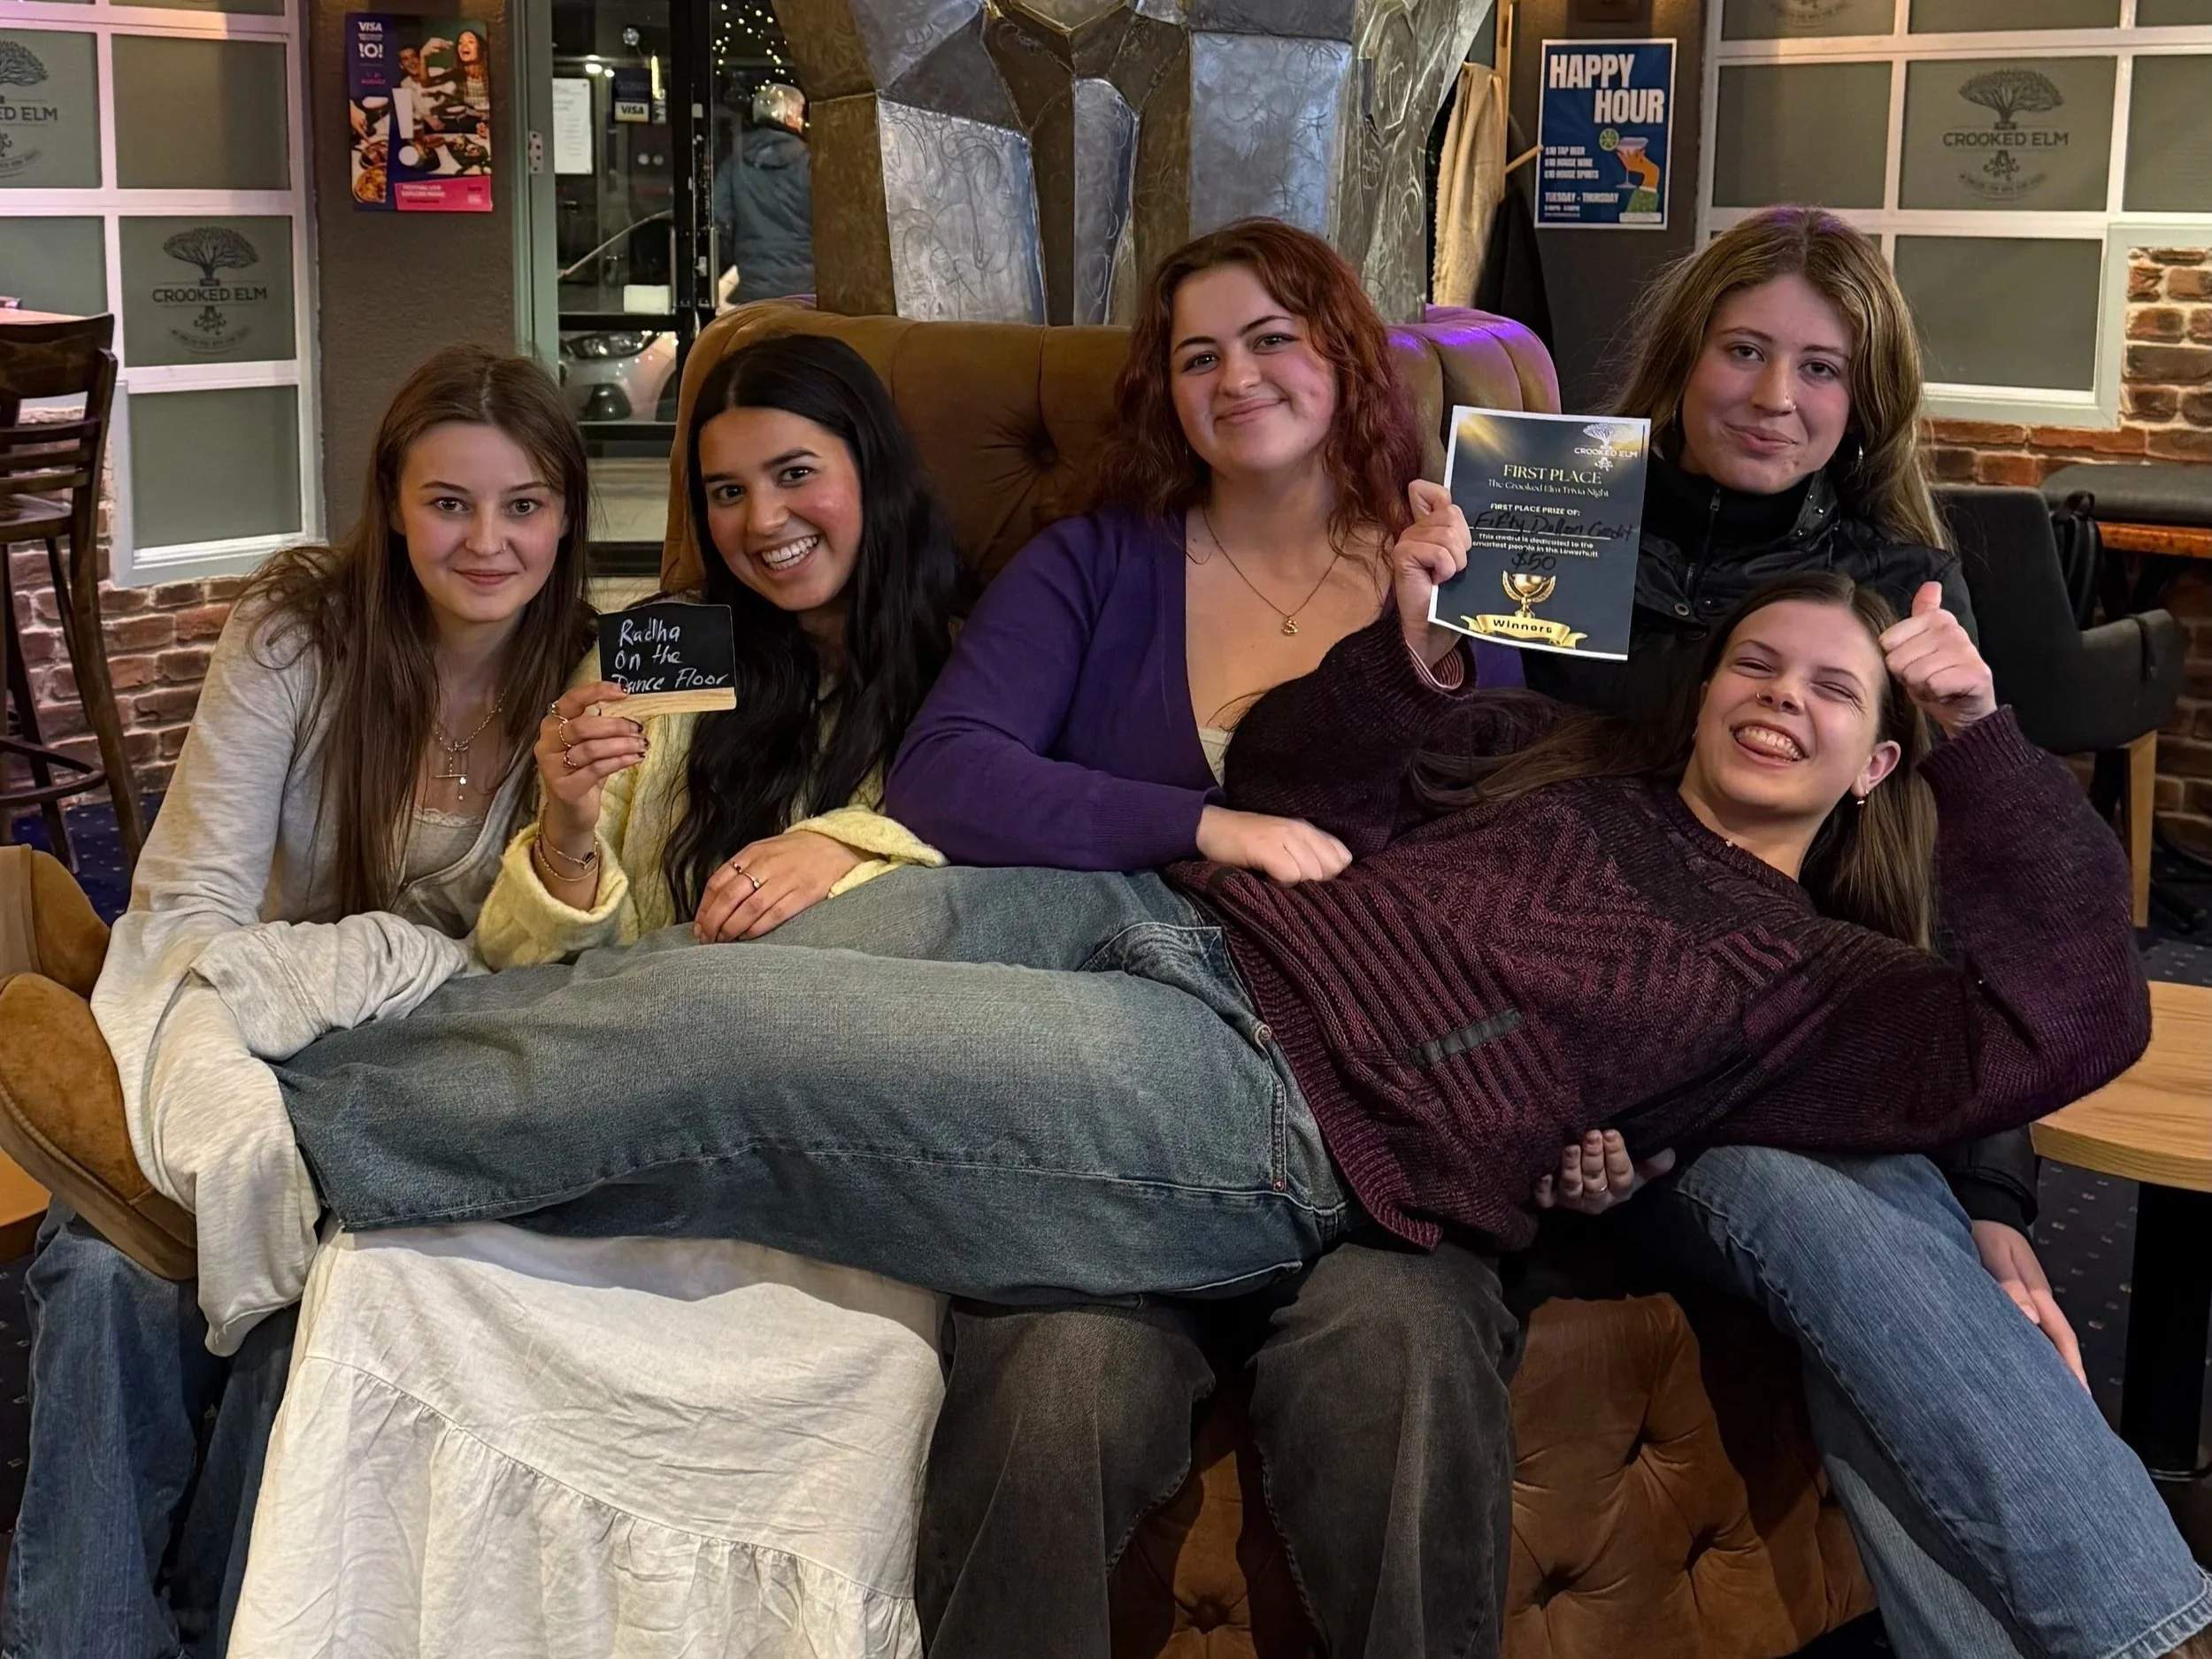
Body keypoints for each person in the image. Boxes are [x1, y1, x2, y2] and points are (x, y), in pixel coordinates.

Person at [1522, 204, 2212, 1659]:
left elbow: (1965, 911)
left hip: (1825, 1049)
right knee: (1813, 1201)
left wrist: (1993, 1197)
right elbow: (1477, 811)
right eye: (1743, 350)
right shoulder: (1561, 516)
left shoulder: (1902, 594)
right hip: (1616, 1061)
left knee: (1893, 1256)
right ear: (1682, 358)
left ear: (1864, 401)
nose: (1775, 396)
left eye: (1821, 368)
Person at [226, 331, 966, 1654]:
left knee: (856, 1381)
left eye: (795, 473)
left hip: (826, 1141)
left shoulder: (977, 660)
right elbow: (536, 962)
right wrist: (569, 828)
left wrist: (846, 845)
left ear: (873, 467)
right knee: (381, 1274)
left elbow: (1023, 857)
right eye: (725, 491)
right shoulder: (668, 653)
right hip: (621, 1106)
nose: (762, 520)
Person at [881, 219, 1524, 1659]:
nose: (1237, 378)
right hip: (1125, 1111)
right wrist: (1202, 822)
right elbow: (945, 774)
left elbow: (1534, 845)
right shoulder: (1094, 564)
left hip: (1377, 1131)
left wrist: (1431, 641)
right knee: (1053, 1384)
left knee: (1405, 1354)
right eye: (1197, 356)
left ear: (1343, 355)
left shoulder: (1465, 556)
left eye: (1273, 338)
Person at [0, 345, 594, 1659]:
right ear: (392, 502)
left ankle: (226, 1624)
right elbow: (188, 902)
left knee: (329, 1315)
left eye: (523, 505)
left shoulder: (591, 681)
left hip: (414, 1080)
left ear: (564, 515)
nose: (487, 541)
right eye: (449, 502)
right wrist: (231, 1070)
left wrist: (567, 828)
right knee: (101, 1279)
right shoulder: (297, 633)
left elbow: (541, 962)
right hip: (227, 1023)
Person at [712, 82, 813, 304]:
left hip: (754, 283)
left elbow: (719, 217)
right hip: (807, 284)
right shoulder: (810, 163)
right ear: (789, 117)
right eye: (799, 114)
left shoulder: (734, 162)